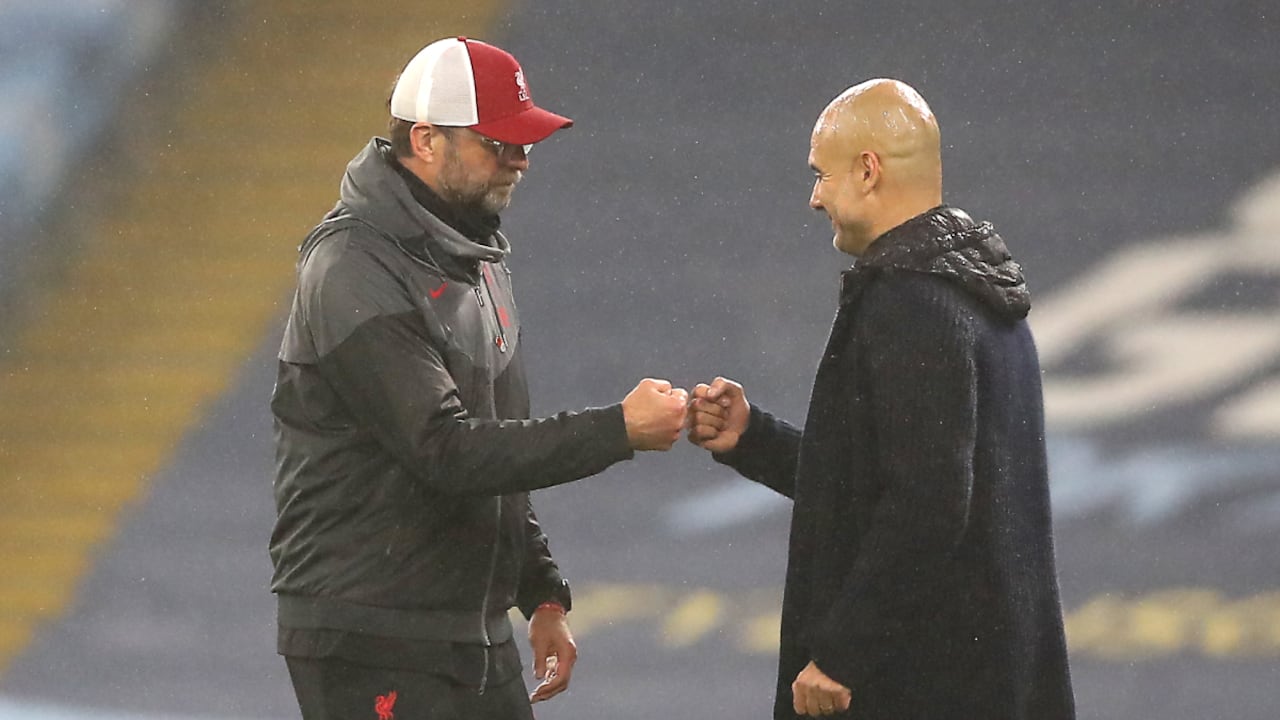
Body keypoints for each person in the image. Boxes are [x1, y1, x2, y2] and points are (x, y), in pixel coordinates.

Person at [269, 37, 688, 719]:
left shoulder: (476, 256)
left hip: (460, 627)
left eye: (524, 142)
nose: (521, 159)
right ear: (427, 140)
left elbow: (495, 448)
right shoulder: (353, 266)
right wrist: (618, 430)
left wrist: (541, 593)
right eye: (499, 142)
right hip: (374, 632)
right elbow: (447, 451)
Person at [687, 79, 1076, 719]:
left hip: (923, 683)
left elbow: (929, 501)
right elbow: (887, 479)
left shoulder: (910, 302)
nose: (814, 199)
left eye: (822, 176)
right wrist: (753, 438)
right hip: (993, 675)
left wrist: (844, 652)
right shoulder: (979, 292)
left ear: (868, 171)